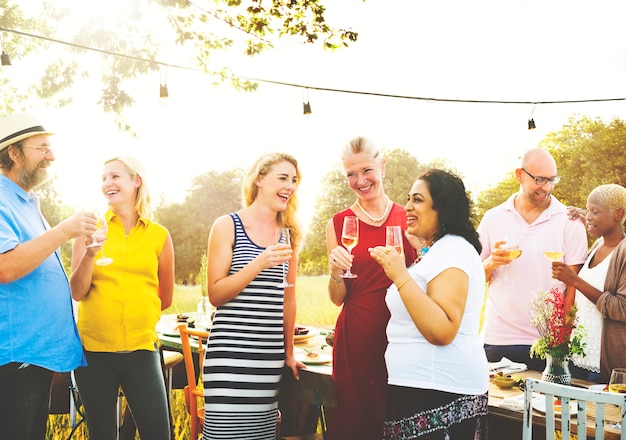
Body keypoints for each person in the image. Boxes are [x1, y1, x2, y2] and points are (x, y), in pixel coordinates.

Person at [369, 169, 488, 439]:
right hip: (420, 387)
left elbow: (442, 330)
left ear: (441, 208)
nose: (408, 206)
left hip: (438, 390)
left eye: (418, 200)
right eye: (408, 198)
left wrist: (399, 274)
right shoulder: (438, 250)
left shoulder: (453, 250)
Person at [70, 156, 175, 440]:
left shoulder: (159, 236)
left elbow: (165, 296)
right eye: (104, 178)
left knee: (158, 434)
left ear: (136, 181)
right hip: (94, 353)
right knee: (102, 435)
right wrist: (91, 253)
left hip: (142, 351)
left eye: (115, 176)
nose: (107, 184)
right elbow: (77, 292)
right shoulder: (89, 230)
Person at [0, 112, 89, 440]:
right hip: (14, 359)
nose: (51, 156)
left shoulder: (26, 200)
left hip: (33, 356)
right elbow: (6, 267)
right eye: (43, 148)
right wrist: (65, 229)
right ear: (14, 152)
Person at [202, 152, 303, 440]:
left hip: (267, 359)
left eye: (294, 180)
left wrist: (289, 353)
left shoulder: (289, 235)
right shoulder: (226, 226)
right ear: (259, 179)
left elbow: (289, 299)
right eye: (282, 178)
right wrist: (259, 262)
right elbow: (216, 294)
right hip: (230, 355)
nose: (290, 186)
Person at [326, 136, 417, 440]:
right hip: (355, 340)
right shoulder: (338, 224)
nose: (360, 181)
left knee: (396, 419)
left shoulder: (410, 218)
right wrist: (335, 274)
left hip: (403, 338)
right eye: (351, 174)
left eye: (366, 170)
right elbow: (337, 299)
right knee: (354, 424)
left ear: (383, 165)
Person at [477, 147, 588, 371]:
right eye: (539, 179)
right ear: (519, 174)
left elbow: (573, 287)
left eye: (551, 180)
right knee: (496, 406)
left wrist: (561, 337)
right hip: (498, 339)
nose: (546, 187)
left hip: (547, 344)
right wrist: (491, 263)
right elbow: (472, 278)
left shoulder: (569, 221)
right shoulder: (492, 218)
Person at [553, 184, 626, 382]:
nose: (589, 216)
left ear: (618, 214)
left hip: (602, 366)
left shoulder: (624, 252)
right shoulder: (598, 245)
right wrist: (586, 217)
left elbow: (622, 308)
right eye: (588, 209)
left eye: (596, 211)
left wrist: (574, 281)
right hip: (576, 359)